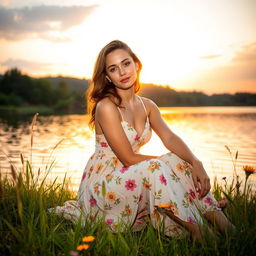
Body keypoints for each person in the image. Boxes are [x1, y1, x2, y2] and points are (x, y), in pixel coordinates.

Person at [50, 40, 234, 241]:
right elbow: (128, 158)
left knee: (177, 158)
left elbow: (170, 137)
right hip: (105, 184)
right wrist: (172, 167)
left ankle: (225, 226)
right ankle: (199, 231)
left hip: (133, 177)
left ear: (136, 65)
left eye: (126, 63)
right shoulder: (106, 107)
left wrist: (195, 162)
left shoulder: (148, 106)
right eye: (113, 68)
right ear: (108, 77)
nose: (122, 72)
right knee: (159, 165)